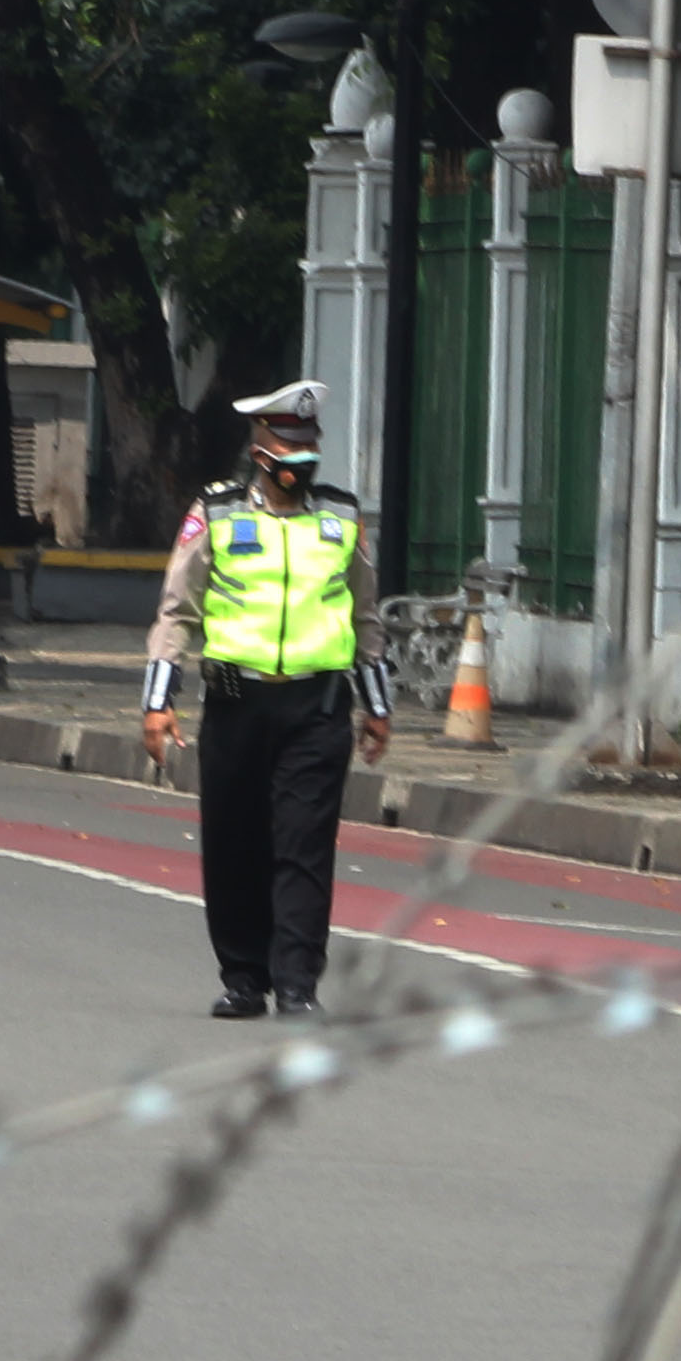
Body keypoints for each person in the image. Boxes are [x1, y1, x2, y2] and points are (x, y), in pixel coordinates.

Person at [139, 380, 394, 1020]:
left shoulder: (340, 518)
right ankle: (244, 979)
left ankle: (299, 982)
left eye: (308, 449)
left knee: (304, 846)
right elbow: (176, 612)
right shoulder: (218, 514)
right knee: (234, 843)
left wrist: (378, 707)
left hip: (317, 709)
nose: (299, 463)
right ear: (260, 450)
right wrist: (157, 703)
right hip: (234, 704)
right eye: (288, 448)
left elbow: (366, 618)